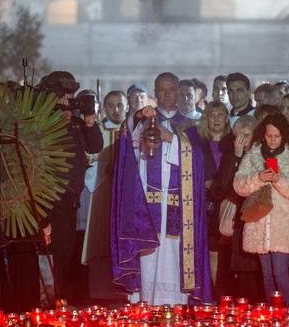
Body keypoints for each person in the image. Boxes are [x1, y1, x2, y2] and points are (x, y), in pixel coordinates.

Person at [111, 72, 212, 305]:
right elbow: (127, 146)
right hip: (147, 201)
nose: (167, 94)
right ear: (155, 94)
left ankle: (177, 304)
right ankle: (146, 302)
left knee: (173, 251)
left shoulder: (192, 125)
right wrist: (138, 116)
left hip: (179, 202)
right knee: (149, 252)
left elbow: (198, 162)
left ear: (179, 91)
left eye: (171, 89)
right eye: (162, 90)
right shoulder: (144, 121)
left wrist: (173, 139)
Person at [233, 114, 289, 307]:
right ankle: (271, 315)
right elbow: (238, 185)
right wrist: (258, 178)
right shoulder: (252, 155)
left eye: (277, 136)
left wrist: (280, 180)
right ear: (263, 135)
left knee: (279, 271)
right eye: (269, 135)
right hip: (259, 224)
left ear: (284, 135)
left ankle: (285, 313)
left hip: (284, 225)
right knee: (267, 273)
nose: (273, 140)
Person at [41, 71, 103, 305]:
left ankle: (62, 297)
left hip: (70, 195)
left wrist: (89, 121)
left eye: (71, 95)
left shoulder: (76, 122)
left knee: (66, 250)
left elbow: (96, 145)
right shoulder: (39, 120)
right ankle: (54, 297)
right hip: (49, 194)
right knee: (55, 249)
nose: (69, 100)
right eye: (64, 95)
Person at [208, 115, 262, 300]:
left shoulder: (260, 157)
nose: (242, 140)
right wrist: (236, 156)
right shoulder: (230, 157)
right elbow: (222, 186)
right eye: (238, 135)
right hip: (230, 227)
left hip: (250, 221)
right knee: (226, 271)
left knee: (248, 274)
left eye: (246, 135)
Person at [81, 90, 128, 302]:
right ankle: (101, 295)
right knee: (100, 243)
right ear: (104, 108)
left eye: (120, 105)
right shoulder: (95, 133)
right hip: (102, 193)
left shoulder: (134, 130)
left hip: (127, 194)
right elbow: (89, 160)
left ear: (126, 106)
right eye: (110, 106)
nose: (116, 110)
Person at [198, 102, 231, 289]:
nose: (216, 118)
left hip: (228, 200)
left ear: (227, 118)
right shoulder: (199, 143)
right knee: (211, 250)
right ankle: (212, 291)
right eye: (212, 114)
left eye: (220, 114)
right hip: (206, 201)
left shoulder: (235, 140)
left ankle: (226, 291)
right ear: (206, 118)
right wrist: (204, 183)